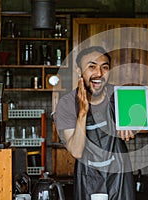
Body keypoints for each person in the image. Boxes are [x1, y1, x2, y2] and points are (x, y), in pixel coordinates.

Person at [55, 46, 135, 200]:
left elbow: (140, 116)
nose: (99, 73)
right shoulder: (66, 104)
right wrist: (83, 113)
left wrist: (132, 125)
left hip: (119, 172)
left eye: (104, 67)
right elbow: (76, 151)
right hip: (87, 175)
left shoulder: (120, 96)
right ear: (79, 71)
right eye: (91, 67)